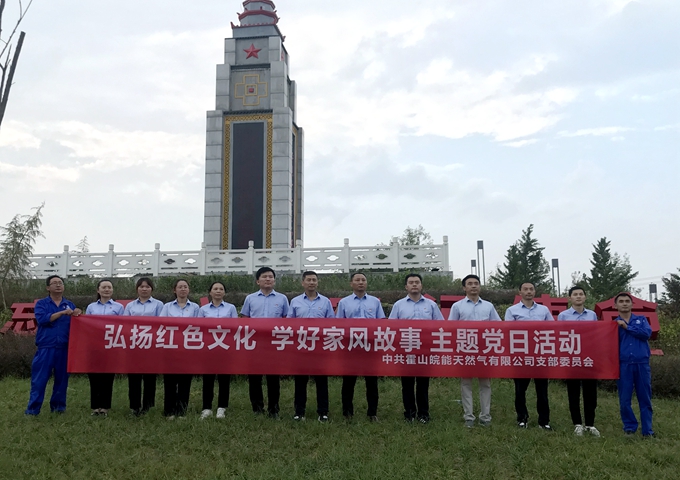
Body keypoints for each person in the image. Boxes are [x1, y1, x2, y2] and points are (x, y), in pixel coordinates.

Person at [389, 273, 444, 424]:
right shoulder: (399, 305)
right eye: (411, 282)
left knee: (423, 383)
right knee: (407, 383)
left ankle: (423, 414)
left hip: (425, 350)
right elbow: (391, 327)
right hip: (405, 349)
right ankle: (409, 413)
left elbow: (441, 325)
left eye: (417, 282)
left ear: (421, 285)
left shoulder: (431, 305)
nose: (414, 285)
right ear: (406, 286)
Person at [448, 274, 501, 428]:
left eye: (476, 283)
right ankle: (468, 417)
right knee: (466, 383)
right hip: (465, 348)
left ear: (479, 286)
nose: (473, 286)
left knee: (485, 383)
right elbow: (450, 328)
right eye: (470, 284)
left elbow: (498, 326)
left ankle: (485, 416)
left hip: (485, 349)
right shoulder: (457, 306)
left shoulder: (488, 306)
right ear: (464, 288)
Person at [25, 275, 82, 415]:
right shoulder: (42, 304)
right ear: (48, 287)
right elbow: (42, 319)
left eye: (60, 283)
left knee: (62, 380)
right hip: (46, 347)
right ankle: (33, 410)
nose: (58, 285)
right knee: (39, 380)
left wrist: (78, 314)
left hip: (64, 347)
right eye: (54, 283)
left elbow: (76, 325)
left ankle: (58, 408)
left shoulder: (69, 304)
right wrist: (61, 313)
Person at [240, 267, 289, 418]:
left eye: (270, 277)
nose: (268, 279)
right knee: (255, 377)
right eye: (264, 277)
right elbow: (245, 319)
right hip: (255, 343)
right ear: (258, 281)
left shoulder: (282, 299)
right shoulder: (250, 298)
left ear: (274, 280)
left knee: (273, 378)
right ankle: (257, 409)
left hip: (275, 343)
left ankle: (274, 410)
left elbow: (287, 320)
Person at [337, 272, 386, 421]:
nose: (360, 282)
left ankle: (372, 413)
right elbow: (338, 324)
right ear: (351, 283)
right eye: (357, 280)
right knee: (348, 381)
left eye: (363, 280)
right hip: (350, 347)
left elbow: (381, 322)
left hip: (370, 347)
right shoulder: (344, 302)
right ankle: (347, 412)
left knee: (371, 382)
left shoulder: (375, 302)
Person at [505, 282, 554, 430]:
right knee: (520, 390)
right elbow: (508, 332)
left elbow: (552, 329)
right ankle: (522, 418)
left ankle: (544, 421)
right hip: (521, 355)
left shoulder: (543, 310)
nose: (528, 291)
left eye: (531, 289)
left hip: (540, 354)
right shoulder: (512, 310)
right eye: (525, 289)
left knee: (542, 390)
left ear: (535, 292)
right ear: (520, 292)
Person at [287, 271, 335, 423]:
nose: (312, 282)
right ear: (303, 283)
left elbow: (332, 324)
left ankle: (323, 412)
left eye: (314, 280)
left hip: (320, 347)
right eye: (308, 280)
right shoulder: (295, 301)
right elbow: (289, 323)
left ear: (317, 282)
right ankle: (299, 412)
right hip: (301, 347)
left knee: (321, 381)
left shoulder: (325, 302)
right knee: (300, 381)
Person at [557, 285, 600, 437]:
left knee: (590, 392)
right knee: (573, 391)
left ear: (585, 297)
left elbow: (596, 334)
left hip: (589, 357)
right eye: (575, 294)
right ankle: (577, 424)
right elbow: (559, 336)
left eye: (581, 294)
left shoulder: (592, 315)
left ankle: (590, 424)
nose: (578, 296)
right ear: (570, 298)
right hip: (571, 357)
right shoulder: (563, 316)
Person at [613, 292, 654, 437]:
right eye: (621, 301)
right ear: (615, 305)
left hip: (641, 363)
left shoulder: (641, 320)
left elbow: (646, 334)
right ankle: (629, 427)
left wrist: (627, 327)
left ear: (632, 304)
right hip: (624, 365)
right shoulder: (613, 325)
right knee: (624, 399)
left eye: (627, 301)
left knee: (645, 398)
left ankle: (647, 430)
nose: (624, 303)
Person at [159, 279, 199, 419]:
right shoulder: (167, 307)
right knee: (170, 380)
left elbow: (199, 326)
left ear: (189, 290)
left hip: (188, 347)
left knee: (185, 380)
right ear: (174, 290)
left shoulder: (195, 307)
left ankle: (181, 410)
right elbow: (162, 323)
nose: (183, 289)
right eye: (180, 287)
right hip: (170, 347)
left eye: (185, 287)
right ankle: (169, 410)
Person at [123, 277, 164, 416]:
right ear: (137, 289)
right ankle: (134, 406)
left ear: (152, 289)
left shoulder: (158, 305)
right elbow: (125, 324)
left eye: (147, 286)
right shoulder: (130, 306)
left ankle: (148, 406)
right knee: (134, 377)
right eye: (141, 286)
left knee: (149, 377)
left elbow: (161, 324)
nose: (144, 289)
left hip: (151, 345)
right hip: (134, 345)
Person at [199, 281, 238, 420]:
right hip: (208, 347)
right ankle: (207, 407)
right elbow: (199, 327)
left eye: (221, 289)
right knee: (208, 378)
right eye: (215, 289)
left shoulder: (231, 308)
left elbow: (235, 327)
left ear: (224, 292)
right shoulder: (203, 309)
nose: (218, 291)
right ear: (210, 292)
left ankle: (222, 407)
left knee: (224, 378)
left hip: (225, 347)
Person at [85, 279, 124, 417]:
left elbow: (123, 325)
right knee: (94, 376)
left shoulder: (119, 307)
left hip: (111, 345)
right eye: (104, 287)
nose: (107, 290)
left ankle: (105, 407)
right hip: (94, 345)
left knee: (108, 376)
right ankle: (95, 407)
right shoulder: (91, 307)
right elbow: (86, 325)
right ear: (98, 290)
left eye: (109, 287)